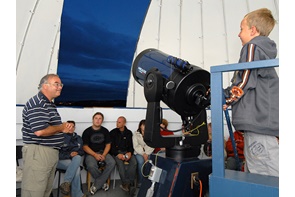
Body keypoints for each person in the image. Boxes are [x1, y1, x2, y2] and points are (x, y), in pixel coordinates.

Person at [223, 8, 279, 177]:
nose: (239, 34)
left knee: (267, 175)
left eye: (242, 29)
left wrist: (226, 99)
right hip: (259, 124)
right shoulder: (263, 52)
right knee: (255, 172)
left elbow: (245, 79)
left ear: (253, 30)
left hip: (259, 125)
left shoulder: (252, 47)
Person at [21, 74, 73, 197]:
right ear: (45, 86)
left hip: (48, 153)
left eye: (61, 84)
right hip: (39, 153)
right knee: (34, 192)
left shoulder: (48, 104)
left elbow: (50, 127)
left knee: (45, 192)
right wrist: (61, 127)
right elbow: (40, 131)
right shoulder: (38, 103)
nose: (60, 87)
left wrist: (63, 129)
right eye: (56, 84)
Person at [82, 112, 116, 195]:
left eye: (100, 118)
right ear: (93, 120)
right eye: (96, 118)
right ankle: (102, 183)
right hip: (91, 153)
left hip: (103, 152)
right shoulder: (87, 131)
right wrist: (95, 155)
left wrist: (104, 155)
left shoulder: (105, 131)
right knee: (91, 165)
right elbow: (85, 147)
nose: (98, 120)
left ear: (102, 121)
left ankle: (96, 185)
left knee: (112, 162)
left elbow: (108, 144)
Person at [57, 120, 86, 197]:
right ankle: (77, 194)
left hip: (74, 160)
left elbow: (82, 151)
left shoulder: (78, 138)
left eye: (72, 126)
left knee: (77, 158)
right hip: (60, 161)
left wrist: (77, 153)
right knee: (76, 167)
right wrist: (70, 155)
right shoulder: (60, 137)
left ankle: (66, 184)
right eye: (68, 126)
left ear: (74, 128)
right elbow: (57, 154)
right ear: (65, 127)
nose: (71, 128)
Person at [110, 116, 137, 194]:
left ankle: (130, 183)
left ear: (124, 123)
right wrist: (117, 154)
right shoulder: (113, 133)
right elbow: (111, 147)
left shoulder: (128, 133)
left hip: (126, 152)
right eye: (117, 122)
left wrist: (130, 153)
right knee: (120, 164)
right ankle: (125, 183)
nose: (117, 123)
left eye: (119, 122)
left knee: (134, 162)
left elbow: (131, 146)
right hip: (117, 153)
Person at [132, 119, 154, 187]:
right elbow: (136, 145)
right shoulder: (136, 134)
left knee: (150, 162)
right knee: (141, 162)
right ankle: (140, 182)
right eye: (142, 129)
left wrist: (146, 154)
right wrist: (143, 154)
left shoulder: (151, 134)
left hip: (148, 152)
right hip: (138, 153)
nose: (143, 131)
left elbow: (152, 145)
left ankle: (148, 181)